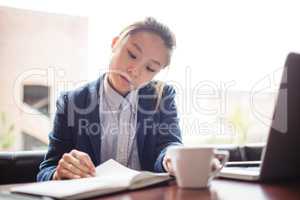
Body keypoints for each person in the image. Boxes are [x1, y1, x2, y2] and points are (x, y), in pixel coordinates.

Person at [37, 17, 183, 181]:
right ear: (115, 43)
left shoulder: (162, 97)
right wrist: (58, 174)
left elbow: (169, 144)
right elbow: (46, 170)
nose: (134, 71)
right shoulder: (71, 102)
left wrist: (172, 157)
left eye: (150, 68)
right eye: (132, 55)